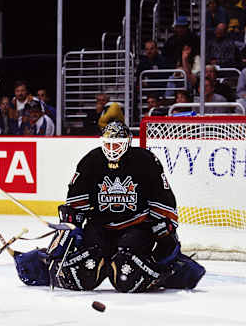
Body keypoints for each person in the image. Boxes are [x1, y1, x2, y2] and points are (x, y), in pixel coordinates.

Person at [12, 121, 206, 293]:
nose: (112, 149)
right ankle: (43, 263)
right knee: (83, 274)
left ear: (127, 143)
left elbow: (162, 197)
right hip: (99, 227)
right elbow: (75, 203)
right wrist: (71, 221)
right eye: (108, 144)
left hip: (136, 228)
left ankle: (165, 272)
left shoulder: (145, 161)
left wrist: (164, 228)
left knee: (127, 278)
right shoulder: (91, 161)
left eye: (117, 144)